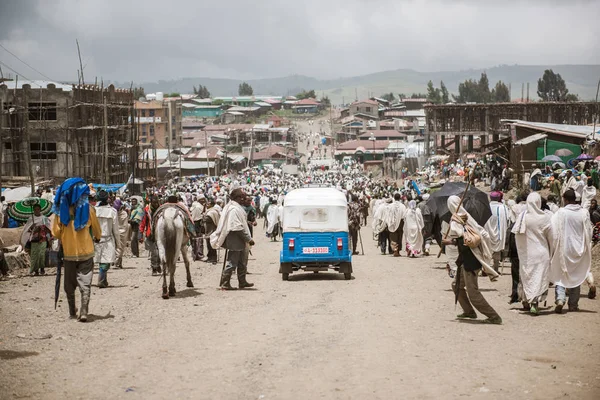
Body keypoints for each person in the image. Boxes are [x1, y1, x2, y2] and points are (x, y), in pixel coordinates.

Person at [443, 195, 502, 324]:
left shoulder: (459, 220)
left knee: (473, 292)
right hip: (464, 260)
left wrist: (448, 241)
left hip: (471, 260)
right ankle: (469, 311)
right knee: (456, 285)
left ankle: (493, 316)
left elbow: (463, 239)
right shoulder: (465, 217)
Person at [52, 178, 102, 322]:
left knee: (69, 284)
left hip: (69, 253)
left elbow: (55, 233)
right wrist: (97, 237)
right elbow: (97, 230)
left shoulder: (61, 212)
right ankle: (84, 311)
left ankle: (71, 311)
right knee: (85, 282)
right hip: (86, 251)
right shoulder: (89, 209)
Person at [550, 189, 592, 313]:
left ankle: (560, 299)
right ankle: (573, 304)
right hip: (579, 249)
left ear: (565, 199)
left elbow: (553, 230)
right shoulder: (584, 213)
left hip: (564, 248)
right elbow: (588, 231)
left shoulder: (561, 212)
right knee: (576, 275)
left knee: (561, 273)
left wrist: (553, 247)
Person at [512, 192, 553, 314]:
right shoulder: (545, 218)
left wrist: (522, 251)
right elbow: (552, 237)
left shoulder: (522, 217)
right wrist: (551, 251)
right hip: (542, 253)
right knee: (539, 278)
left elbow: (517, 237)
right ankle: (535, 303)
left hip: (527, 254)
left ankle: (526, 301)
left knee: (527, 277)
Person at [211, 189, 255, 290]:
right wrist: (248, 239)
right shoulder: (233, 210)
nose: (244, 200)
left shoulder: (236, 207)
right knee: (232, 262)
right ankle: (225, 283)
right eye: (243, 198)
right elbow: (236, 227)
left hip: (240, 240)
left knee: (242, 262)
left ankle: (242, 282)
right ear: (238, 198)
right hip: (235, 240)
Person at [94, 190, 121, 288]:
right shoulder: (112, 212)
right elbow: (116, 230)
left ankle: (103, 280)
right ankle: (101, 280)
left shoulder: (93, 210)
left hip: (95, 239)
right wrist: (119, 244)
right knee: (105, 262)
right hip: (107, 239)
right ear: (108, 199)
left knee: (98, 260)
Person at [23, 204, 52, 276]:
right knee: (34, 255)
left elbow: (48, 229)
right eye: (35, 209)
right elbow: (27, 229)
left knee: (42, 255)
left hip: (43, 239)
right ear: (33, 210)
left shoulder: (44, 218)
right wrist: (32, 227)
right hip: (34, 240)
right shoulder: (31, 219)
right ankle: (36, 270)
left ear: (40, 210)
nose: (36, 211)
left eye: (38, 209)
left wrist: (49, 239)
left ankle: (42, 269)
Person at [485, 191, 509, 273]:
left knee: (486, 250)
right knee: (497, 252)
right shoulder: (503, 207)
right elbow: (507, 219)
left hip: (487, 232)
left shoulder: (486, 206)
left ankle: (486, 268)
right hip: (499, 233)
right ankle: (495, 268)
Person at [140, 196, 161, 275]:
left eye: (157, 203)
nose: (156, 204)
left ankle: (158, 265)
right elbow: (143, 222)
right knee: (154, 252)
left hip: (160, 233)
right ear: (151, 203)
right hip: (151, 234)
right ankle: (154, 268)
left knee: (160, 252)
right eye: (154, 203)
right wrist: (140, 233)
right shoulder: (147, 210)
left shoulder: (161, 210)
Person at [387, 193, 406, 257]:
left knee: (393, 236)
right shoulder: (402, 206)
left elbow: (388, 215)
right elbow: (404, 216)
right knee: (399, 236)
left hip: (392, 223)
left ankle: (395, 249)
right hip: (400, 223)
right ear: (400, 198)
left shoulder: (390, 206)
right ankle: (398, 251)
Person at [204, 199, 221, 264]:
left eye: (208, 204)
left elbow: (216, 221)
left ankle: (213, 258)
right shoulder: (208, 211)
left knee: (212, 244)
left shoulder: (213, 212)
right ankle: (209, 257)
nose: (207, 205)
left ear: (212, 205)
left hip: (212, 230)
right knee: (208, 244)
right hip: (207, 230)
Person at [113, 199, 129, 269]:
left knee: (119, 248)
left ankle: (119, 262)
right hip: (121, 232)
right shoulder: (123, 213)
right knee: (119, 248)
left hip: (119, 232)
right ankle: (117, 262)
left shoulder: (122, 213)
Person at [190, 195, 207, 261]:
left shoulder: (198, 206)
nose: (204, 200)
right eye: (202, 199)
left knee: (196, 240)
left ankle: (195, 254)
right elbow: (198, 218)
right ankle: (199, 255)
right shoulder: (198, 207)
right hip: (197, 224)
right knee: (199, 240)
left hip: (196, 224)